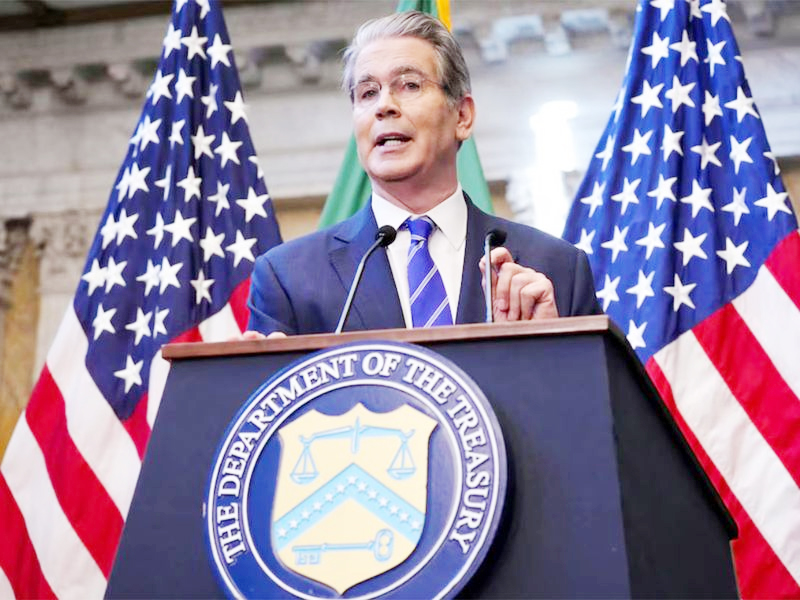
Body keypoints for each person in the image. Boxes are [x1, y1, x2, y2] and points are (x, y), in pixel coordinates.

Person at [246, 10, 599, 337]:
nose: (384, 106)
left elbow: (597, 386)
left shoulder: (556, 269)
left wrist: (552, 350)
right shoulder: (289, 278)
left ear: (462, 116)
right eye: (367, 93)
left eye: (410, 85)